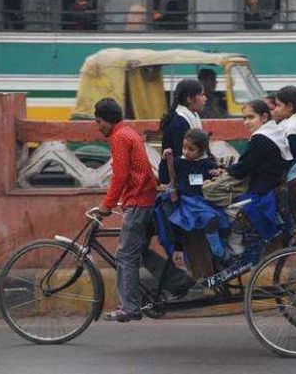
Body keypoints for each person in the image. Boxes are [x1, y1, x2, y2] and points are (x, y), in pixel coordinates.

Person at [93, 98, 194, 322]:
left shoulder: (119, 137)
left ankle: (129, 307)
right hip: (147, 199)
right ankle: (177, 281)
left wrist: (107, 205)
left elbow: (120, 176)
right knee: (137, 251)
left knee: (125, 255)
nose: (98, 127)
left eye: (98, 122)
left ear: (106, 120)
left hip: (138, 202)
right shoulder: (129, 132)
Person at [226, 100, 293, 264]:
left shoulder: (260, 138)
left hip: (262, 193)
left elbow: (244, 167)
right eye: (244, 118)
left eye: (250, 117)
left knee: (227, 212)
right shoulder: (274, 133)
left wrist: (226, 171)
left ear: (264, 117)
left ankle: (236, 253)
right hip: (273, 188)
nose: (246, 122)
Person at [159, 129, 232, 265]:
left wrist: (217, 172)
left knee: (224, 223)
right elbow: (163, 177)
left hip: (205, 201)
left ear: (201, 150)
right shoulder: (178, 162)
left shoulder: (207, 163)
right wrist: (164, 160)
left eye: (191, 149)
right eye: (184, 148)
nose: (186, 152)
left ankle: (220, 252)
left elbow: (216, 175)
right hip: (188, 203)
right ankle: (218, 252)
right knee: (210, 219)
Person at [159, 79, 206, 179]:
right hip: (180, 175)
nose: (205, 99)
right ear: (189, 99)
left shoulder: (193, 117)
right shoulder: (180, 123)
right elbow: (182, 158)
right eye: (201, 95)